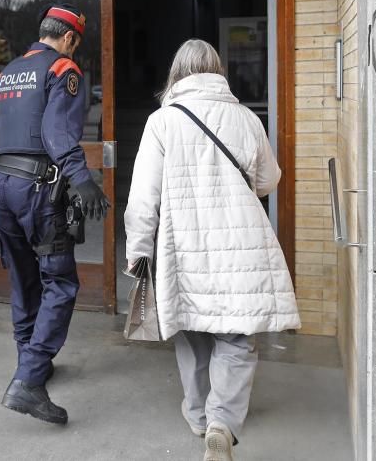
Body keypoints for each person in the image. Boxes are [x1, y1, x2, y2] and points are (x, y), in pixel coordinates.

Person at [124, 39, 300, 461]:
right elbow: (268, 180)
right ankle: (222, 423)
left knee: (193, 331)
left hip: (183, 247)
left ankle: (199, 415)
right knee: (237, 335)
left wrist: (137, 249)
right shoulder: (246, 118)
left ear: (177, 73)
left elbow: (143, 197)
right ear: (217, 70)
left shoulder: (162, 122)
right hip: (241, 243)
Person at [0, 3, 110, 425]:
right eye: (75, 44)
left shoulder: (6, 75)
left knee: (22, 276)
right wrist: (82, 179)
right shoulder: (62, 71)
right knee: (59, 280)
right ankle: (29, 380)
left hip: (2, 188)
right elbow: (58, 132)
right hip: (37, 189)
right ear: (70, 38)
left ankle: (30, 362)